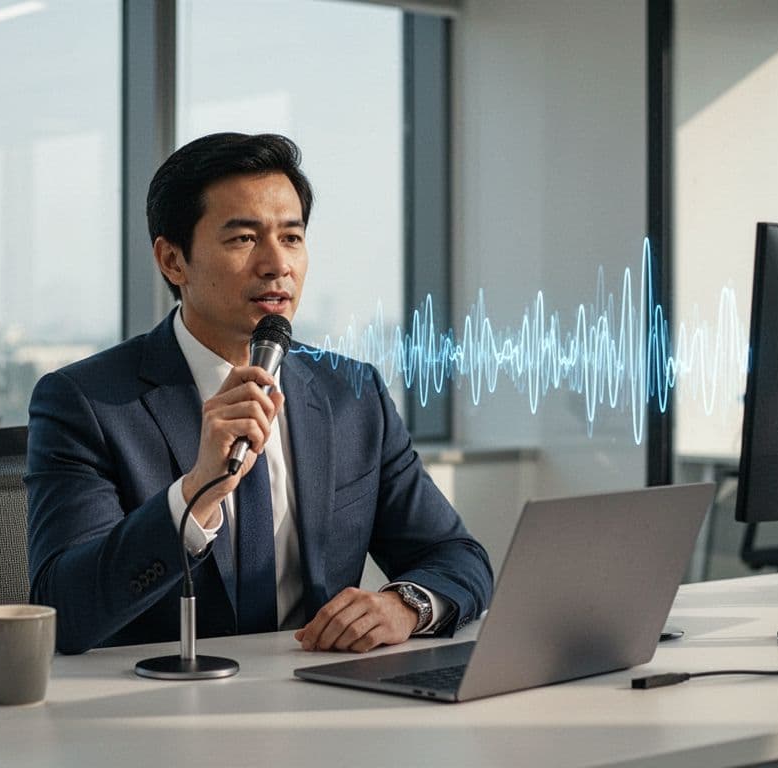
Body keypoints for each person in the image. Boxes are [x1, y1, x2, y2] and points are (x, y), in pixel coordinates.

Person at [25, 132, 492, 655]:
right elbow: (61, 612)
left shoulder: (352, 396)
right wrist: (197, 492)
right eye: (244, 239)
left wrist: (406, 604)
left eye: (291, 237)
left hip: (321, 699)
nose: (277, 264)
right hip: (159, 708)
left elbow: (458, 556)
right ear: (173, 260)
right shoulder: (85, 402)